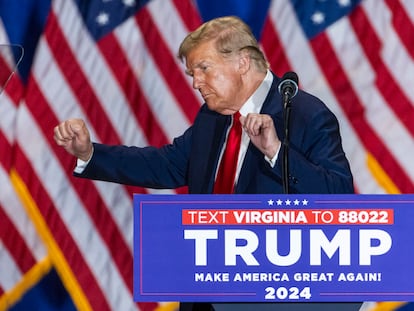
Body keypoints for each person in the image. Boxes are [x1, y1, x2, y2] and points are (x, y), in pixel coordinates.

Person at [54, 16, 355, 311]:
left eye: (203, 68)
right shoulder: (211, 118)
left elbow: (338, 194)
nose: (197, 82)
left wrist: (277, 151)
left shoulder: (304, 114)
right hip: (204, 291)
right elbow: (165, 165)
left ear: (242, 63)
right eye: (192, 74)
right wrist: (89, 152)